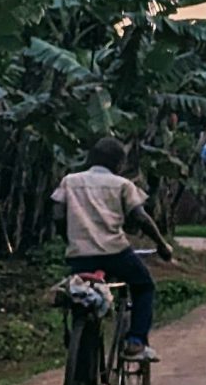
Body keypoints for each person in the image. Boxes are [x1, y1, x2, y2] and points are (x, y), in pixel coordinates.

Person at [51, 136, 174, 362]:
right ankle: (136, 342)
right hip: (115, 254)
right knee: (144, 285)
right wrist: (162, 245)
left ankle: (80, 370)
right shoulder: (122, 185)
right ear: (119, 164)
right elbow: (141, 218)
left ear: (91, 158)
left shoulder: (70, 181)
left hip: (80, 257)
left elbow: (58, 215)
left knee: (80, 297)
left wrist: (70, 239)